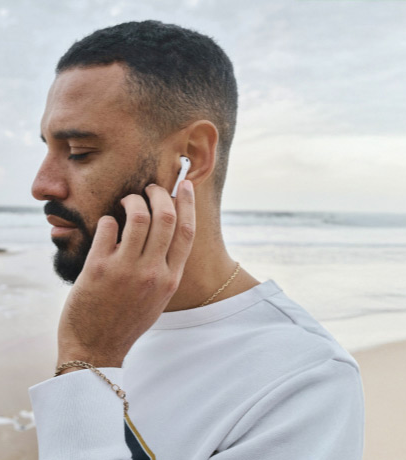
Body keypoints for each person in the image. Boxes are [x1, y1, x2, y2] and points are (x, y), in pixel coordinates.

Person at [27, 21, 364, 459]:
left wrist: (87, 361)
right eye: (47, 148)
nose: (42, 185)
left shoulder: (304, 381)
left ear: (193, 156)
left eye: (79, 152)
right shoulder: (108, 312)